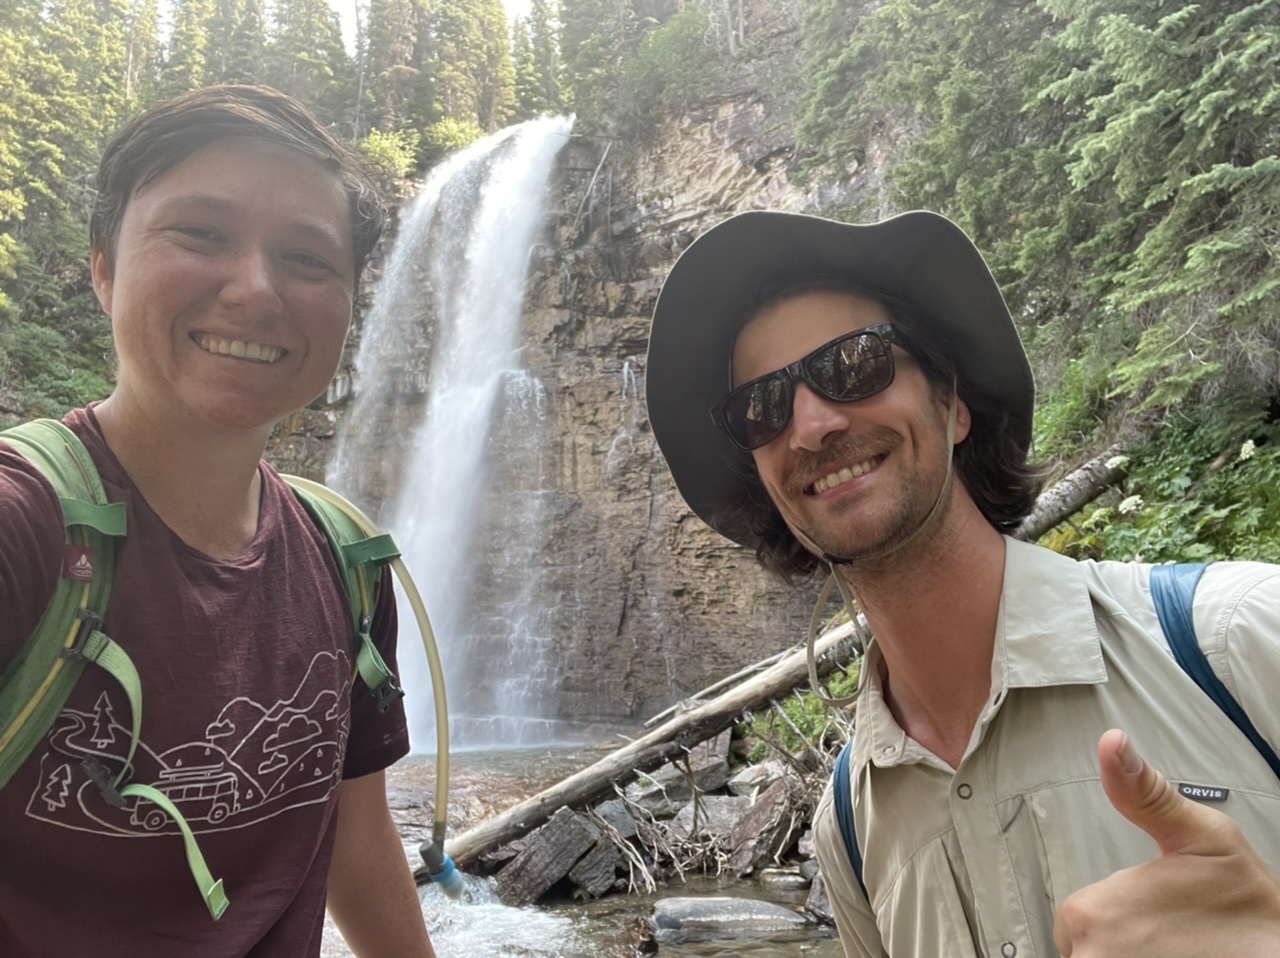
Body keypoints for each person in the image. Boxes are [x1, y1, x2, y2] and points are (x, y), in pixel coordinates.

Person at [645, 209, 1280, 957]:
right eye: (762, 408)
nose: (810, 425)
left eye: (852, 364)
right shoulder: (849, 831)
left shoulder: (1241, 642)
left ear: (952, 404)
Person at [0, 86, 436, 957]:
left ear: (351, 306)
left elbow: (357, 839)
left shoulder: (344, 559)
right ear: (103, 267)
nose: (255, 287)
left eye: (308, 260)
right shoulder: (25, 528)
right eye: (200, 234)